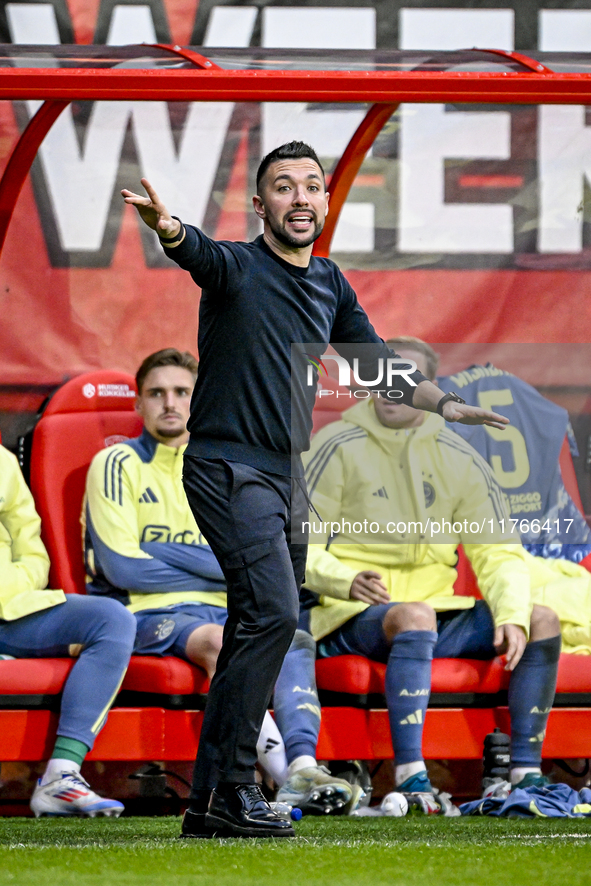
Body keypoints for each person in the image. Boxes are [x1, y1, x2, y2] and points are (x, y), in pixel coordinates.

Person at [121, 142, 509, 839]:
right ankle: (238, 788)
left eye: (311, 187)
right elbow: (195, 250)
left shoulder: (330, 282)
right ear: (260, 204)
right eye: (283, 187)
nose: (299, 198)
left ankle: (210, 801)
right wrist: (169, 228)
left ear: (326, 202)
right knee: (271, 616)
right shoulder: (237, 266)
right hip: (226, 466)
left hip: (284, 471)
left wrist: (449, 407)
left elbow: (377, 369)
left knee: (256, 623)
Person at [273, 337, 562, 808]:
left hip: (431, 612)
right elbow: (296, 543)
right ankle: (410, 774)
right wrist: (343, 580)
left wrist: (512, 613)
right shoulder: (334, 445)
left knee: (541, 617)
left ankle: (526, 772)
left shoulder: (461, 457)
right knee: (414, 615)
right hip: (348, 613)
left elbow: (498, 551)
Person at [83, 347, 292, 788]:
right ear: (139, 404)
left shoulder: (229, 470)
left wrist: (158, 549)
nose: (170, 403)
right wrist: (226, 565)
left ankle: (304, 764)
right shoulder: (116, 463)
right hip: (144, 612)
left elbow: (268, 560)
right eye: (156, 393)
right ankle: (287, 775)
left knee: (288, 635)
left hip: (223, 607)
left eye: (182, 392)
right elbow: (123, 568)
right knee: (223, 641)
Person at [0, 444, 136, 817]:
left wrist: (10, 586)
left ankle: (62, 775)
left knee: (112, 618)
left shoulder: (3, 461)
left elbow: (32, 552)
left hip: (11, 610)